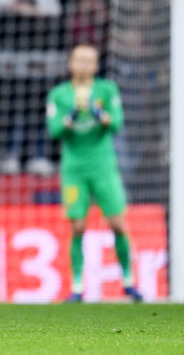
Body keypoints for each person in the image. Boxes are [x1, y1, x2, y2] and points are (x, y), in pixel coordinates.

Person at [46, 44, 143, 303]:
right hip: (74, 169)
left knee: (118, 223)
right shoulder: (59, 94)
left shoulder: (106, 90)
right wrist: (74, 113)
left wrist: (98, 112)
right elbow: (54, 131)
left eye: (89, 61)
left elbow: (118, 123)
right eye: (79, 60)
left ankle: (128, 281)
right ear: (71, 63)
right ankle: (77, 287)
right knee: (77, 226)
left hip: (103, 166)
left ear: (96, 66)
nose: (84, 65)